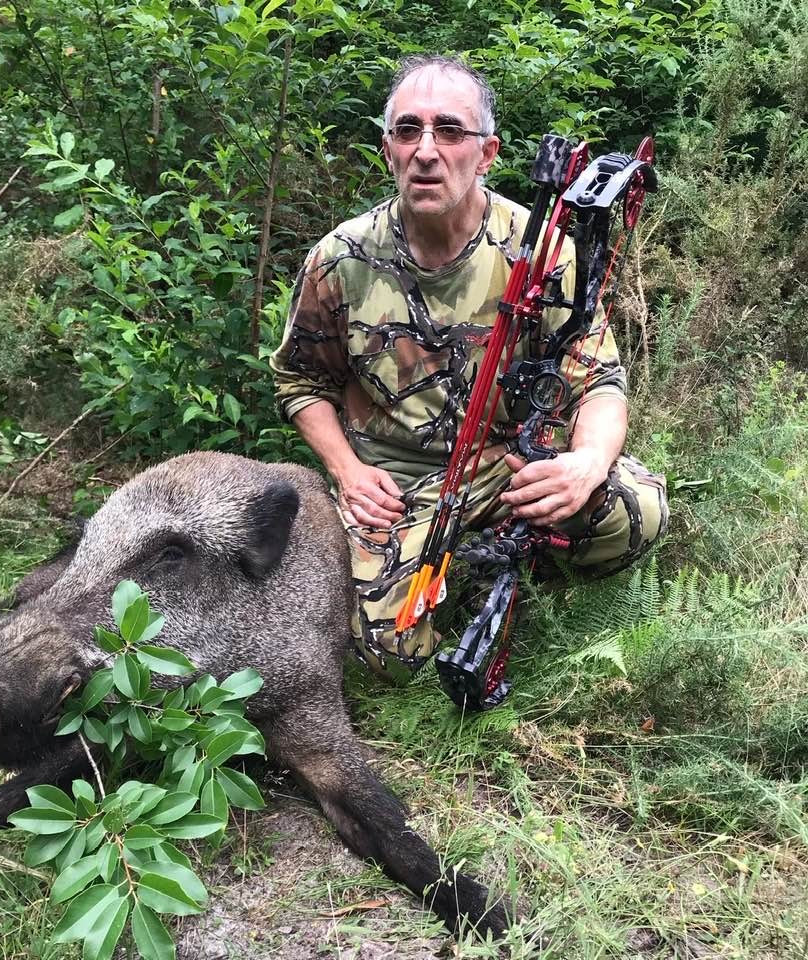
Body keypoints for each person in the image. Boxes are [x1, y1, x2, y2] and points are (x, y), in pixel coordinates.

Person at [270, 54, 668, 681]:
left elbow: (600, 382)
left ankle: (508, 563)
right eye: (408, 130)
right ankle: (453, 574)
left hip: (508, 468)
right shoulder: (341, 258)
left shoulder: (540, 250)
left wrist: (584, 465)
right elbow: (300, 381)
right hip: (397, 488)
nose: (426, 150)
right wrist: (346, 472)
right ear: (388, 150)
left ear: (485, 153)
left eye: (449, 131)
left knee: (633, 508)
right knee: (387, 655)